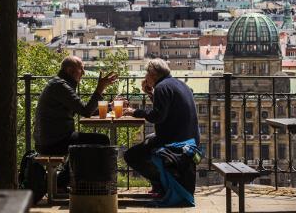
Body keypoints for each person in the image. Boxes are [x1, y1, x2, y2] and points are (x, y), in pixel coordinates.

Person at [33, 55, 118, 187]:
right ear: (70, 70)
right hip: (53, 142)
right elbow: (86, 111)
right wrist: (100, 88)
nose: (83, 73)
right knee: (101, 141)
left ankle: (65, 182)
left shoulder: (60, 84)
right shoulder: (61, 86)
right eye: (81, 69)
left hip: (51, 139)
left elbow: (84, 110)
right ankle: (96, 184)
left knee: (92, 142)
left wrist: (110, 107)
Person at [121, 59, 200, 197]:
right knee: (148, 139)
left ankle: (162, 183)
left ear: (153, 74)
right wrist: (151, 94)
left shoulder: (162, 87)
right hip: (190, 137)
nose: (145, 77)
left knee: (131, 156)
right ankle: (160, 184)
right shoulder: (178, 83)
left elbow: (157, 116)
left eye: (147, 74)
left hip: (175, 140)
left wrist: (135, 112)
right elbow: (166, 108)